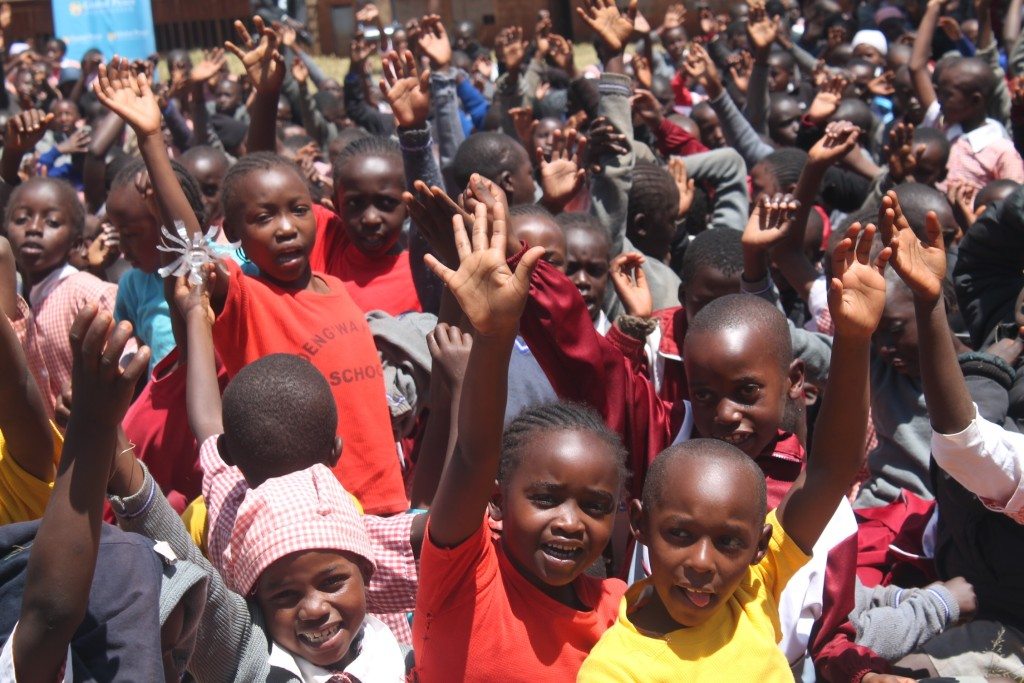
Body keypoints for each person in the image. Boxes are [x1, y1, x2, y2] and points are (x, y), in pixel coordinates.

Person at [93, 56, 407, 515]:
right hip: (316, 516)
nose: (285, 228)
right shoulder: (246, 299)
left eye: (297, 210)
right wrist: (150, 140)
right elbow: (190, 250)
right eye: (264, 217)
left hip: (389, 506)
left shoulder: (336, 289)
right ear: (235, 236)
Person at [578, 221, 889, 680]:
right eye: (680, 534)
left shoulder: (749, 593)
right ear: (640, 524)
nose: (703, 565)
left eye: (729, 542)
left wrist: (855, 338)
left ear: (759, 547)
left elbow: (828, 472)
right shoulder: (614, 669)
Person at [412, 192, 629, 681]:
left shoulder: (619, 611)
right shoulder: (463, 574)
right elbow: (473, 454)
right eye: (547, 498)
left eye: (595, 506)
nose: (571, 523)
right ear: (496, 499)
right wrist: (496, 335)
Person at [880, 187, 1024, 677]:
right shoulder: (1005, 332)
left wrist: (985, 368)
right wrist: (928, 298)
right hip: (965, 584)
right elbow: (988, 250)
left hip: (1010, 626)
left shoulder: (995, 357)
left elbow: (971, 454)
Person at [3, 172, 117, 411]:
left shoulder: (87, 292)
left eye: (52, 223)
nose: (34, 229)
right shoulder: (22, 306)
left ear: (76, 243)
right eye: (22, 219)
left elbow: (128, 355)